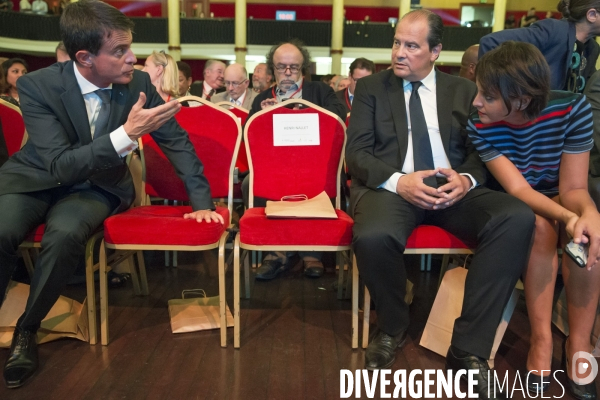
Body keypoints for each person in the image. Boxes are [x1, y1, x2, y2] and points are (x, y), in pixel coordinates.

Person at [0, 0, 222, 388]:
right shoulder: (38, 85)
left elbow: (177, 142)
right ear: (84, 57)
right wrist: (125, 135)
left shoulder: (137, 84)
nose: (131, 58)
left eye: (129, 47)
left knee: (65, 234)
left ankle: (27, 328)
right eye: (119, 51)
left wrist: (202, 203)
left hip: (96, 186)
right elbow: (59, 165)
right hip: (36, 179)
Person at [346, 10, 534, 399]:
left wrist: (465, 180)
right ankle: (393, 326)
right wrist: (400, 182)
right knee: (372, 234)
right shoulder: (372, 90)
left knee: (515, 217)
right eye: (397, 42)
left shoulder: (465, 91)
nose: (399, 52)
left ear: (435, 51)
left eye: (411, 46)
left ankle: (469, 348)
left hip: (452, 191)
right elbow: (358, 155)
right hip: (392, 189)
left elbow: (483, 153)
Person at [469, 41, 600, 399]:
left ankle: (579, 343)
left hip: (562, 190)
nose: (477, 102)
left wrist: (586, 216)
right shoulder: (479, 124)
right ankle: (541, 340)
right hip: (518, 198)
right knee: (540, 226)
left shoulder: (573, 108)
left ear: (522, 100)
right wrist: (567, 218)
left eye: (488, 96)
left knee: (589, 235)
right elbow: (519, 189)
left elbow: (573, 186)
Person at [245, 39, 346, 280]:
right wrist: (264, 117)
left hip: (315, 168)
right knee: (251, 182)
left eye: (294, 67)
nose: (288, 73)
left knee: (323, 182)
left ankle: (311, 251)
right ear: (273, 69)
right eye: (281, 67)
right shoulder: (262, 100)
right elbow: (249, 137)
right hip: (277, 170)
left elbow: (339, 119)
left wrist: (303, 110)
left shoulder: (320, 92)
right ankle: (276, 250)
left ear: (303, 68)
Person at [479, 0, 600, 93]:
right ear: (592, 15)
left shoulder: (592, 48)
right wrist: (505, 93)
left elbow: (589, 91)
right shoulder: (554, 30)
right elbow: (490, 42)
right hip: (529, 120)